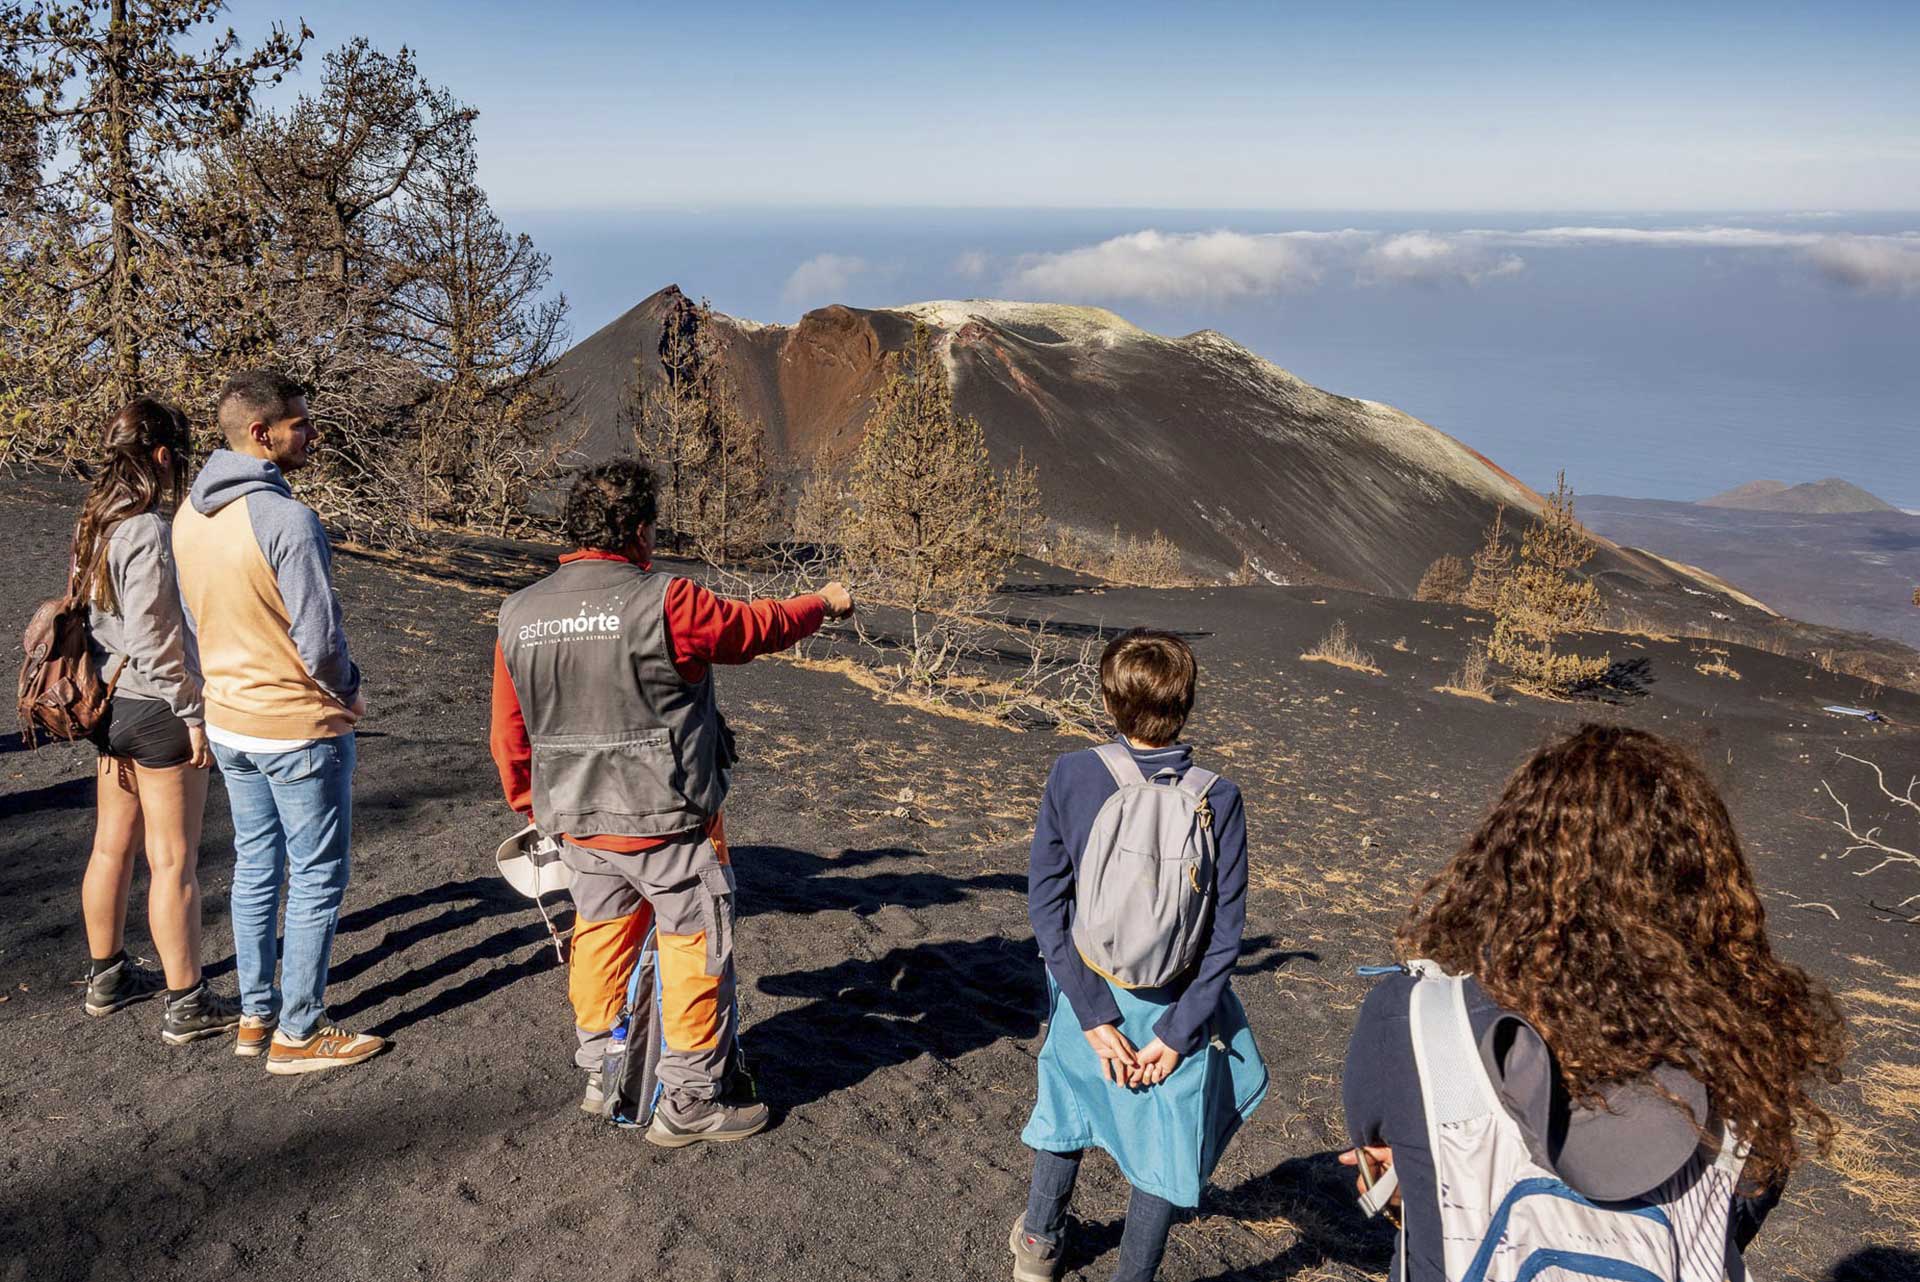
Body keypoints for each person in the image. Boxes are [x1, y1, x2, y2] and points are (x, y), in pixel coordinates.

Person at [1341, 724, 1849, 1282]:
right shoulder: (1749, 1040)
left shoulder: (1414, 1018)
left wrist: (1405, 1187)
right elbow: (1739, 1215)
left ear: (1508, 860)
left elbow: (1395, 1162)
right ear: (1704, 884)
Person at [490, 458, 854, 1145]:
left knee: (599, 936)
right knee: (693, 946)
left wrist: (532, 806)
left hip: (575, 817)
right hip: (668, 818)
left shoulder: (520, 611)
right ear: (639, 532)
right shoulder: (667, 601)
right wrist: (822, 603)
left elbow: (508, 730)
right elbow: (754, 629)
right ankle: (689, 1100)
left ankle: (603, 1069)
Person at [1013, 629, 1265, 1282]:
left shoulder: (1073, 774)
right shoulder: (1220, 798)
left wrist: (1092, 1015)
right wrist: (1180, 1035)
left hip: (1086, 990)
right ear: (1186, 704)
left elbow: (1045, 905)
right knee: (1164, 1147)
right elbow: (1224, 936)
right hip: (1176, 1008)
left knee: (1064, 1111)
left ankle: (1039, 1247)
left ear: (1109, 701)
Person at [172, 369, 383, 1075]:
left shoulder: (189, 516)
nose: (312, 431)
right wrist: (349, 691)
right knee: (319, 874)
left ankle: (255, 1014)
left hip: (230, 720)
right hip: (295, 725)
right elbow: (319, 641)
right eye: (300, 422)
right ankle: (299, 1031)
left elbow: (194, 624)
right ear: (260, 434)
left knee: (256, 867)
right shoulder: (287, 520)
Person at [73, 398, 243, 1044]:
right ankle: (187, 1001)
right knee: (173, 860)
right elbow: (154, 638)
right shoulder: (144, 530)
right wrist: (193, 711)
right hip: (156, 708)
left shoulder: (97, 521)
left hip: (110, 707)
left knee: (111, 845)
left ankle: (107, 975)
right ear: (162, 457)